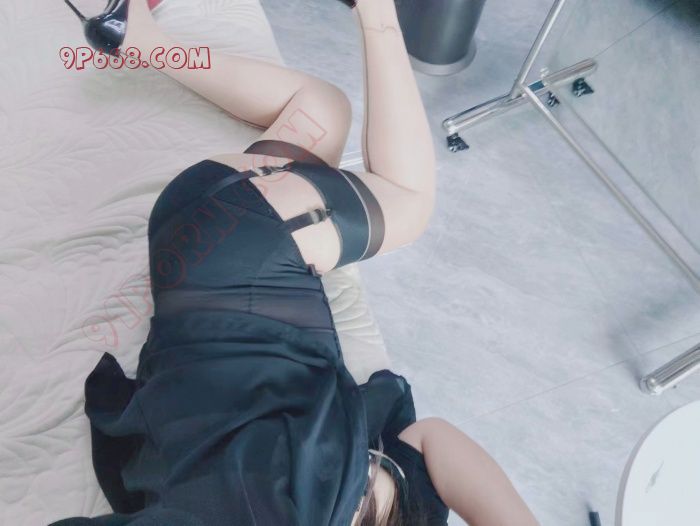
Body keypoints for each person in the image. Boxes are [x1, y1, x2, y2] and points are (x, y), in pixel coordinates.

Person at [55, 0, 540, 525]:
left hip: (238, 243)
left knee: (404, 194)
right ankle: (139, 38)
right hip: (203, 240)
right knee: (322, 109)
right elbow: (433, 439)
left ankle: (377, 11)